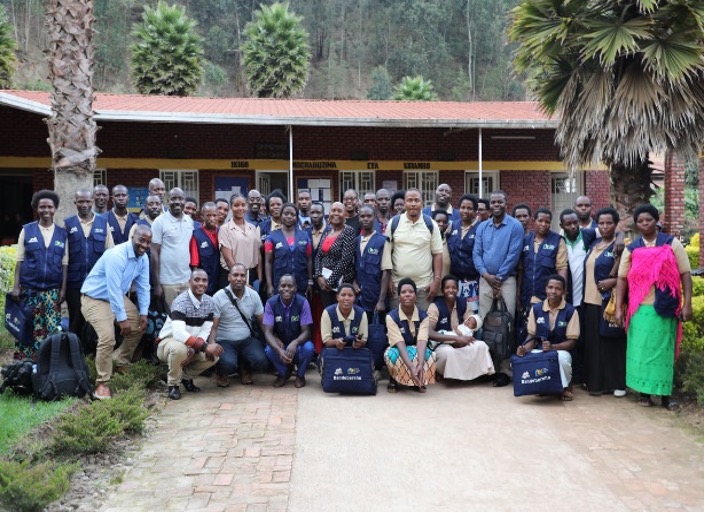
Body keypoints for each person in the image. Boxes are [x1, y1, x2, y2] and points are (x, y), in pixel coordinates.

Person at [616, 205, 692, 411]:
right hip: (639, 309)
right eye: (640, 221)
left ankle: (666, 396)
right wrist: (619, 308)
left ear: (656, 220)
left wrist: (687, 304)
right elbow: (622, 279)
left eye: (648, 220)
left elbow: (685, 274)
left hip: (666, 307)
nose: (644, 224)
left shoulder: (671, 244)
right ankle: (644, 393)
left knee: (663, 353)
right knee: (641, 352)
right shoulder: (632, 248)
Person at [80, 225, 152, 399]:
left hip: (116, 297)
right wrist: (122, 319)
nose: (144, 245)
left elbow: (143, 287)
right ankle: (102, 383)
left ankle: (120, 360)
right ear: (132, 238)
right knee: (108, 338)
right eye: (141, 240)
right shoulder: (116, 255)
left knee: (139, 325)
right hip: (95, 298)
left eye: (148, 242)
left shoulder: (143, 258)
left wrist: (144, 313)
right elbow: (113, 289)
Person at [472, 190, 524, 387]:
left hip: (507, 281)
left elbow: (513, 255)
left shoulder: (515, 226)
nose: (496, 205)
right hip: (485, 280)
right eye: (493, 202)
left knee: (506, 325)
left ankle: (504, 371)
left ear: (506, 204)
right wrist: (486, 275)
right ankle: (487, 367)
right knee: (484, 324)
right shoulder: (482, 227)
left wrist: (499, 279)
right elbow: (476, 253)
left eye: (499, 202)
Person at [10, 190, 68, 360]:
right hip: (29, 290)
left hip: (52, 291)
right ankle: (26, 364)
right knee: (29, 327)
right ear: (36, 208)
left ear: (55, 209)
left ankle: (49, 363)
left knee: (51, 329)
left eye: (50, 207)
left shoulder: (62, 233)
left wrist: (63, 289)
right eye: (42, 207)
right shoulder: (27, 230)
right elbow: (19, 261)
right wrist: (16, 287)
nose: (46, 210)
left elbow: (65, 264)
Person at [156, 269, 223, 400]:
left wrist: (195, 348)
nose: (201, 283)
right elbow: (178, 333)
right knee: (180, 349)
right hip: (168, 342)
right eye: (197, 280)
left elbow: (205, 330)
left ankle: (185, 377)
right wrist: (203, 346)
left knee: (213, 355)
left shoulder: (209, 302)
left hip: (190, 343)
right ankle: (173, 384)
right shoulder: (180, 301)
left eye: (204, 280)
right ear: (189, 282)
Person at [583, 208, 627, 397]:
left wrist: (613, 281)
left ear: (616, 224)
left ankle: (617, 384)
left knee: (612, 344)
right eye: (601, 223)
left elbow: (629, 273)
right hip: (590, 302)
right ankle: (596, 383)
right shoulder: (593, 243)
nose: (605, 226)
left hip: (609, 302)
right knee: (594, 345)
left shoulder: (622, 247)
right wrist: (620, 233)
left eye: (609, 223)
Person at [516, 275, 578, 401]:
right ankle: (543, 386)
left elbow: (572, 342)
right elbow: (531, 335)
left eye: (558, 289)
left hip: (560, 351)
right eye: (550, 287)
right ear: (545, 289)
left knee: (562, 358)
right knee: (524, 358)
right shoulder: (536, 309)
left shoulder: (571, 311)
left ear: (564, 291)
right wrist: (523, 349)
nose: (553, 291)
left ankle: (566, 387)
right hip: (541, 351)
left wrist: (553, 347)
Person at [64, 188, 114, 338]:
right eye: (81, 201)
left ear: (92, 201)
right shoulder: (68, 224)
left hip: (97, 283)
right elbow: (64, 258)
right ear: (75, 203)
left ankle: (92, 349)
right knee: (75, 320)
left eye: (87, 201)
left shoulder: (103, 223)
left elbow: (110, 253)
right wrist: (63, 286)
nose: (84, 205)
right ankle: (74, 349)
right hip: (75, 282)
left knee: (95, 321)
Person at [210, 264, 268, 387]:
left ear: (246, 278)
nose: (239, 278)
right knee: (228, 364)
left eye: (242, 275)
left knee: (261, 361)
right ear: (229, 277)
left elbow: (262, 323)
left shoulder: (253, 295)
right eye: (235, 275)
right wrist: (211, 344)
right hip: (224, 341)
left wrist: (272, 339)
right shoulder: (218, 297)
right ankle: (221, 372)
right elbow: (214, 327)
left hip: (246, 340)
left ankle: (244, 367)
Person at [428, 275, 494, 381]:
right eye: (447, 287)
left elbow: (472, 323)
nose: (451, 290)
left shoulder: (463, 303)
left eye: (454, 287)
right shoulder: (435, 306)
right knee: (447, 353)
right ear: (442, 290)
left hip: (461, 340)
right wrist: (455, 339)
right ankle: (446, 374)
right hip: (443, 344)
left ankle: (476, 375)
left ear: (458, 289)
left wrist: (463, 338)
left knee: (481, 346)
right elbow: (429, 332)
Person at [517, 208, 568, 341]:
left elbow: (562, 268)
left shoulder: (557, 241)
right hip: (527, 296)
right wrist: (518, 294)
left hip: (547, 297)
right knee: (527, 333)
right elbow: (521, 270)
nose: (543, 224)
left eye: (547, 222)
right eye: (540, 221)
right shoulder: (525, 240)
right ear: (534, 221)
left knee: (546, 334)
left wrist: (562, 294)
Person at [388, 189, 443, 310]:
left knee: (423, 320)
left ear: (422, 203)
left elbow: (437, 254)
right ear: (404, 203)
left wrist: (436, 281)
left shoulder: (431, 224)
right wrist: (389, 279)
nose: (413, 204)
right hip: (398, 286)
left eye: (416, 200)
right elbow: (387, 253)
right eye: (409, 200)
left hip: (424, 287)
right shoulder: (394, 223)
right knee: (398, 320)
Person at [263, 275, 314, 388]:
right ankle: (284, 373)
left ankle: (300, 375)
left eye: (290, 286)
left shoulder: (303, 302)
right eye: (283, 286)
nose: (286, 289)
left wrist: (295, 343)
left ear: (295, 288)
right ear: (278, 288)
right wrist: (279, 350)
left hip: (298, 344)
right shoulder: (271, 303)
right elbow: (267, 332)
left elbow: (307, 332)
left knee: (309, 348)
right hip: (281, 344)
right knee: (269, 350)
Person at [385, 278, 436, 393]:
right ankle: (394, 379)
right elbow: (399, 343)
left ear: (416, 296)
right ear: (399, 297)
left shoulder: (424, 316)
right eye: (403, 292)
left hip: (415, 348)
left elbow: (422, 341)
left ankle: (417, 380)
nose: (407, 295)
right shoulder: (391, 317)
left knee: (429, 354)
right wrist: (412, 367)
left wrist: (420, 364)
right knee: (391, 355)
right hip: (399, 348)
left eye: (411, 292)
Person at [150, 187, 193, 307]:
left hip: (186, 280)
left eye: (180, 198)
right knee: (172, 316)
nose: (177, 202)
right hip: (168, 282)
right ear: (168, 201)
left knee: (186, 315)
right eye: (173, 198)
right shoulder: (159, 222)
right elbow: (154, 252)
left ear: (185, 201)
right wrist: (157, 284)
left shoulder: (189, 221)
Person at [313, 201, 357, 307]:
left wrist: (330, 281)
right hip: (324, 282)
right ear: (329, 213)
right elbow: (319, 256)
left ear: (345, 214)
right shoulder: (327, 231)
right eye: (333, 210)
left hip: (341, 284)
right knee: (328, 312)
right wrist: (318, 276)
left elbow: (345, 260)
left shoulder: (349, 231)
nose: (336, 213)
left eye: (339, 211)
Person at [264, 203, 313, 298]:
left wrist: (310, 281)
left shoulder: (305, 236)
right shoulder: (271, 237)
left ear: (297, 217)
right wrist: (269, 285)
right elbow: (268, 262)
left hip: (301, 284)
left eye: (292, 214)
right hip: (280, 286)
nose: (289, 216)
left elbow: (309, 259)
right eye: (286, 213)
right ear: (281, 215)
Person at [353, 205, 392, 316]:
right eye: (362, 216)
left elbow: (386, 272)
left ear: (375, 217)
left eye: (369, 216)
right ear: (359, 218)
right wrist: (353, 282)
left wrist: (381, 300)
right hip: (358, 298)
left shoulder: (383, 241)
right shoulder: (356, 241)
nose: (365, 219)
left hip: (375, 298)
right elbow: (353, 267)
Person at [218, 192, 262, 290]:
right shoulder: (225, 229)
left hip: (252, 276)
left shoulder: (252, 228)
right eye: (236, 205)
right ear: (231, 208)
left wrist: (260, 279)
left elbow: (258, 255)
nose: (240, 208)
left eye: (243, 205)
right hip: (233, 276)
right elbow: (228, 259)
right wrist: (241, 280)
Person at [447, 194, 481, 314]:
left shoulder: (480, 228)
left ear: (475, 211)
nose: (465, 211)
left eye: (469, 208)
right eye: (462, 207)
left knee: (472, 315)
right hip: (455, 282)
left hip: (474, 282)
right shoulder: (452, 226)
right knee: (455, 313)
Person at [320, 283, 369, 353]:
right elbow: (327, 342)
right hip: (334, 353)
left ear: (354, 298)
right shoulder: (328, 312)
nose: (346, 298)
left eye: (350, 295)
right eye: (343, 295)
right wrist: (336, 342)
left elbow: (364, 341)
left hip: (355, 353)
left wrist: (359, 343)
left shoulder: (361, 313)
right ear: (337, 297)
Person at [308, 202, 327, 353]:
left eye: (318, 213)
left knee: (324, 315)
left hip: (325, 282)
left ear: (323, 214)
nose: (315, 215)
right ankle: (313, 350)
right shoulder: (304, 233)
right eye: (312, 212)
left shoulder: (330, 232)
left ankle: (323, 350)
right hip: (308, 281)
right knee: (311, 317)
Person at [189, 202, 220, 295]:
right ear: (202, 217)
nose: (212, 218)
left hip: (219, 282)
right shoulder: (196, 235)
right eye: (208, 215)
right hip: (204, 284)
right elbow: (194, 264)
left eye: (214, 215)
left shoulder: (222, 233)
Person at [432, 210, 451, 279]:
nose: (441, 224)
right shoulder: (427, 240)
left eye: (444, 222)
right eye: (438, 221)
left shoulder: (449, 241)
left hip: (446, 283)